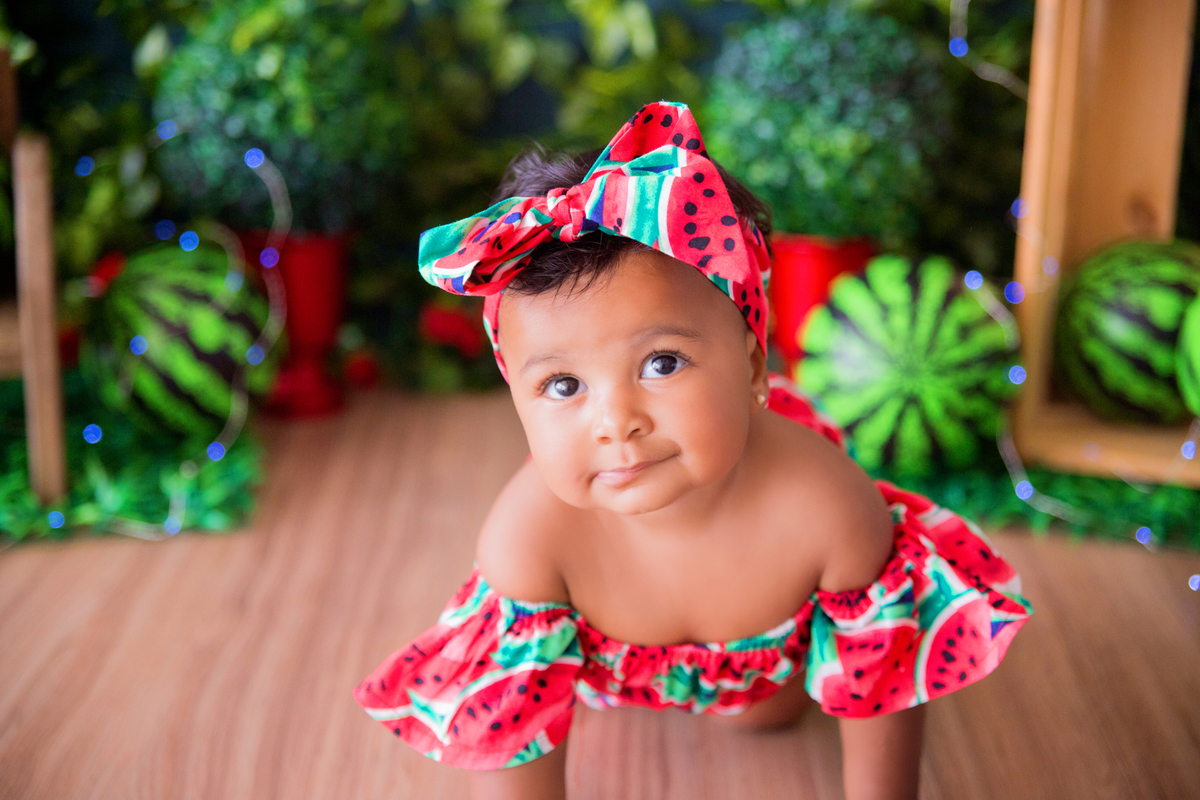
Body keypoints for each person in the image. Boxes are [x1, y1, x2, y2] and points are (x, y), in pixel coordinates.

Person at [354, 101, 1031, 800]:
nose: (616, 422)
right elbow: (509, 737)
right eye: (562, 384)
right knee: (565, 701)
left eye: (663, 364)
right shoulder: (529, 547)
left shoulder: (828, 510)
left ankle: (761, 686)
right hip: (604, 678)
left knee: (764, 717)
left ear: (751, 361)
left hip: (766, 664)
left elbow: (882, 688)